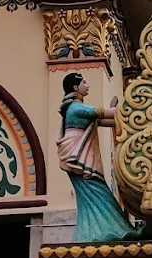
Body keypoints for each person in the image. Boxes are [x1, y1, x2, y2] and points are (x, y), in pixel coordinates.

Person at [57, 71, 141, 242]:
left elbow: (105, 120)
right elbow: (108, 114)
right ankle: (107, 231)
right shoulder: (77, 108)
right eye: (84, 83)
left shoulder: (74, 109)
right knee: (98, 193)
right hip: (78, 156)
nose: (87, 86)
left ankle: (96, 231)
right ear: (75, 88)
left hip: (78, 155)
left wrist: (125, 116)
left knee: (93, 194)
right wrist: (135, 109)